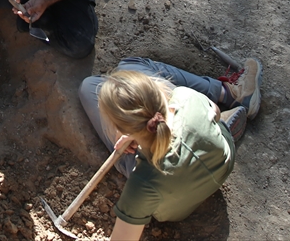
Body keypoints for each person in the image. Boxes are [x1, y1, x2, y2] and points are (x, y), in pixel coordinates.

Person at [79, 56, 263, 240]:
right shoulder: (185, 96)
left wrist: (137, 137)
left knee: (89, 87)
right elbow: (214, 112)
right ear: (159, 90)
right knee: (128, 66)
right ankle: (223, 109)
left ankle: (155, 138)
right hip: (223, 161)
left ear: (119, 130)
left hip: (177, 208)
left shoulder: (141, 185)